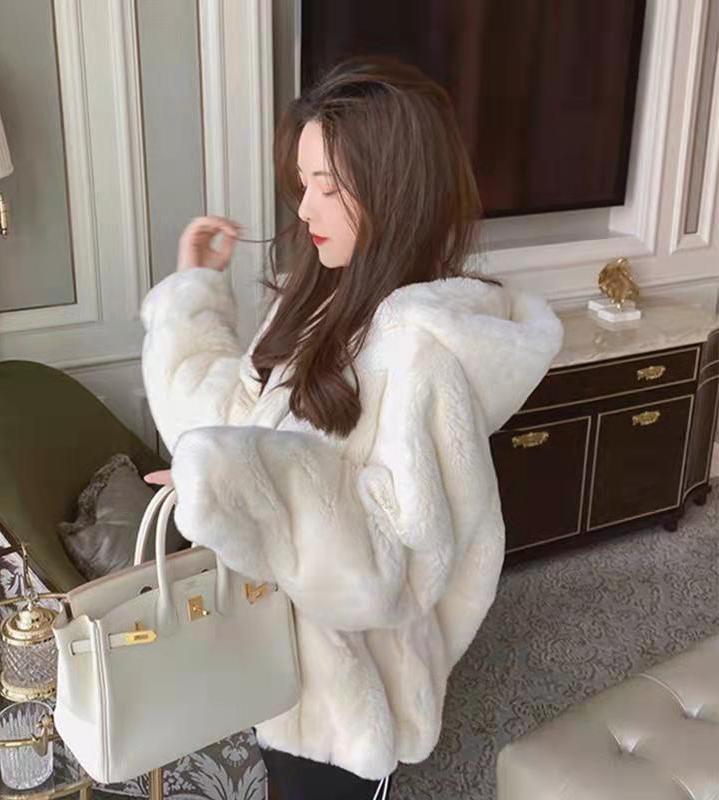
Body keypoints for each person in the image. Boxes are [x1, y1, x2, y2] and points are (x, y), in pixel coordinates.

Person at [140, 55, 563, 800]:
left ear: (395, 193)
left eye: (328, 188)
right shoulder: (315, 302)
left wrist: (240, 477)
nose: (305, 209)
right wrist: (193, 293)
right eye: (302, 183)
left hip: (348, 704)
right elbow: (224, 421)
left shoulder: (421, 354)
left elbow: (399, 566)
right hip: (268, 658)